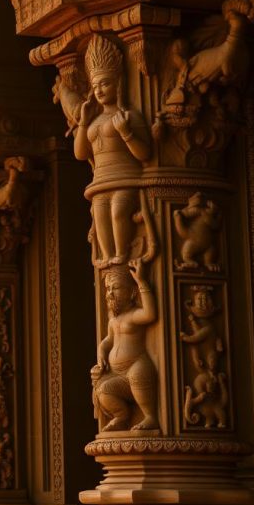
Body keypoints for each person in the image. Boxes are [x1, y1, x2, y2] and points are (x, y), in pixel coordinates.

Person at [74, 35, 152, 267]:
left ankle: (121, 253)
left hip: (124, 176)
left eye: (105, 83)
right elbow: (80, 153)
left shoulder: (128, 116)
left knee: (118, 212)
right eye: (95, 86)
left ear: (118, 83)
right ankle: (108, 259)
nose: (99, 90)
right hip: (101, 180)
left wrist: (126, 132)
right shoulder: (94, 121)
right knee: (100, 216)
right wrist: (83, 123)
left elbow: (144, 153)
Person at [92, 259, 159, 431]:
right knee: (103, 390)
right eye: (108, 289)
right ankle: (121, 416)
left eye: (116, 287)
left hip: (136, 366)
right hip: (119, 375)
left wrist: (142, 282)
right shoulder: (113, 319)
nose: (110, 293)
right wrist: (102, 349)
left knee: (138, 375)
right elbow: (109, 339)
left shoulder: (134, 315)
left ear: (132, 293)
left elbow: (150, 314)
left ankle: (150, 417)